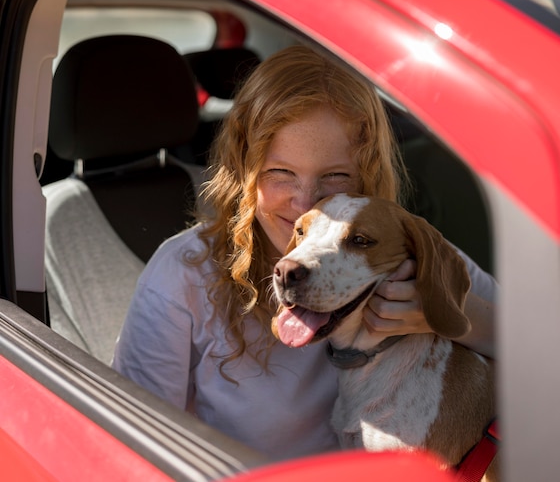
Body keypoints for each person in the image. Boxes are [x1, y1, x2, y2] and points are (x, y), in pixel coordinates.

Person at [112, 45, 497, 460]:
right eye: (281, 173)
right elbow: (131, 449)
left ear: (366, 174)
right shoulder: (182, 276)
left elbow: (552, 355)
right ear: (246, 168)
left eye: (335, 177)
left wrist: (452, 314)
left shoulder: (401, 250)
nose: (305, 202)